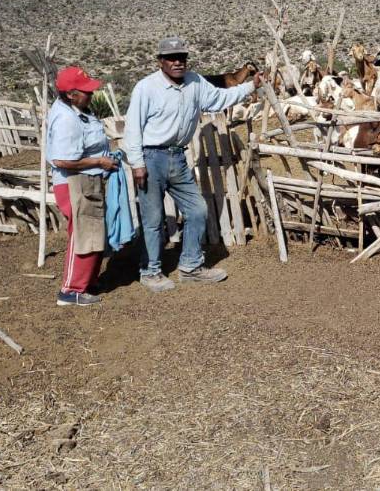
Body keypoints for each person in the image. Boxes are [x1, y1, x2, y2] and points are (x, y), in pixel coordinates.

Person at [122, 37, 265, 293]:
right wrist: (136, 163)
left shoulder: (195, 82)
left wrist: (250, 86)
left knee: (197, 210)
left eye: (182, 57)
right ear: (161, 61)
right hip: (151, 157)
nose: (178, 62)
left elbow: (221, 98)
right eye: (171, 58)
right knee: (153, 218)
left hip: (178, 156)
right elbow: (133, 127)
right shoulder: (146, 88)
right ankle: (151, 271)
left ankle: (190, 266)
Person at [47, 66, 118, 307]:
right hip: (74, 182)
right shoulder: (67, 119)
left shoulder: (78, 111)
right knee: (82, 233)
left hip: (85, 180)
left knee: (92, 231)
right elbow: (62, 160)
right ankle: (71, 290)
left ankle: (86, 282)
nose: (91, 95)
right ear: (70, 94)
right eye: (85, 91)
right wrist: (99, 161)